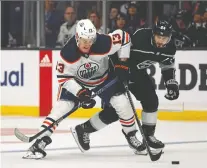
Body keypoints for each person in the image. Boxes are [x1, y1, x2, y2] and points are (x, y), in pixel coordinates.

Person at [23, 19, 144, 159]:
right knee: (61, 108)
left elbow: (124, 38)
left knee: (123, 104)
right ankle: (40, 142)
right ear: (77, 37)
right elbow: (64, 78)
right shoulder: (68, 54)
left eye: (91, 40)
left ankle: (131, 136)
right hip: (77, 82)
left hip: (103, 79)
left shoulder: (103, 42)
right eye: (84, 40)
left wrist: (123, 63)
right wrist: (80, 92)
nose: (87, 44)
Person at [71, 19, 179, 155]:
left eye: (165, 38)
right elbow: (121, 47)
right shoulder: (141, 38)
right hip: (115, 71)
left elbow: (167, 64)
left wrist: (170, 82)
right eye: (159, 37)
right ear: (153, 34)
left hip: (137, 74)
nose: (161, 41)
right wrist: (120, 67)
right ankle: (83, 129)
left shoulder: (169, 47)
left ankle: (148, 137)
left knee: (151, 101)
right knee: (115, 112)